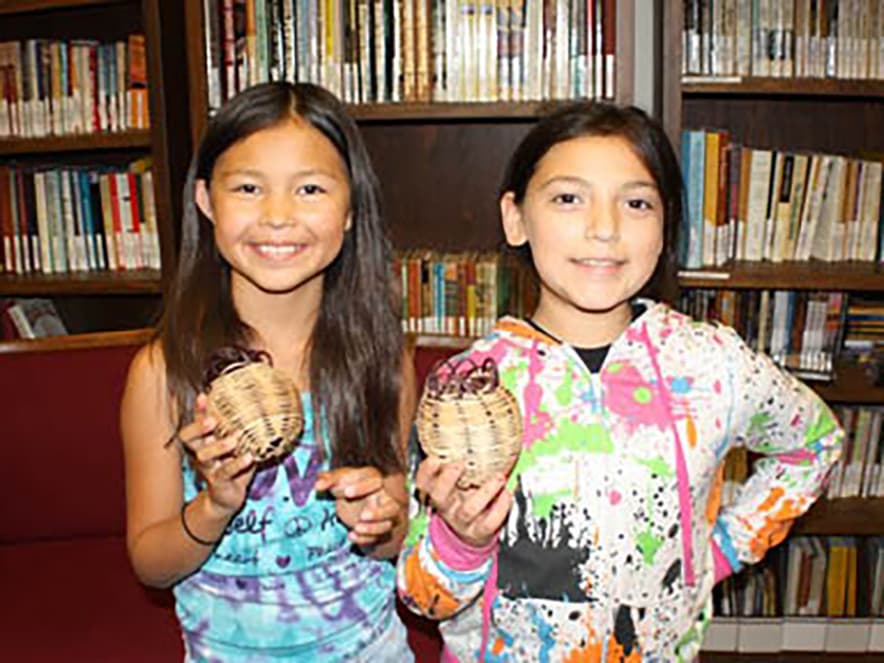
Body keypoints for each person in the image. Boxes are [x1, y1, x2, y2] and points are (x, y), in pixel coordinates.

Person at [396, 101, 843, 662]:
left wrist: (721, 549)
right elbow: (421, 597)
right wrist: (462, 540)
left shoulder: (714, 366)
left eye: (636, 203)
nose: (604, 228)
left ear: (666, 225)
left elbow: (815, 443)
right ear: (515, 219)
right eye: (568, 198)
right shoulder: (466, 389)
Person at [121, 81, 415, 662]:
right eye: (249, 188)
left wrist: (381, 521)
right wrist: (214, 504)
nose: (278, 217)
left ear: (351, 209)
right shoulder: (164, 372)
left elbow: (402, 534)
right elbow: (150, 564)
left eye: (310, 189)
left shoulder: (383, 357)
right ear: (206, 200)